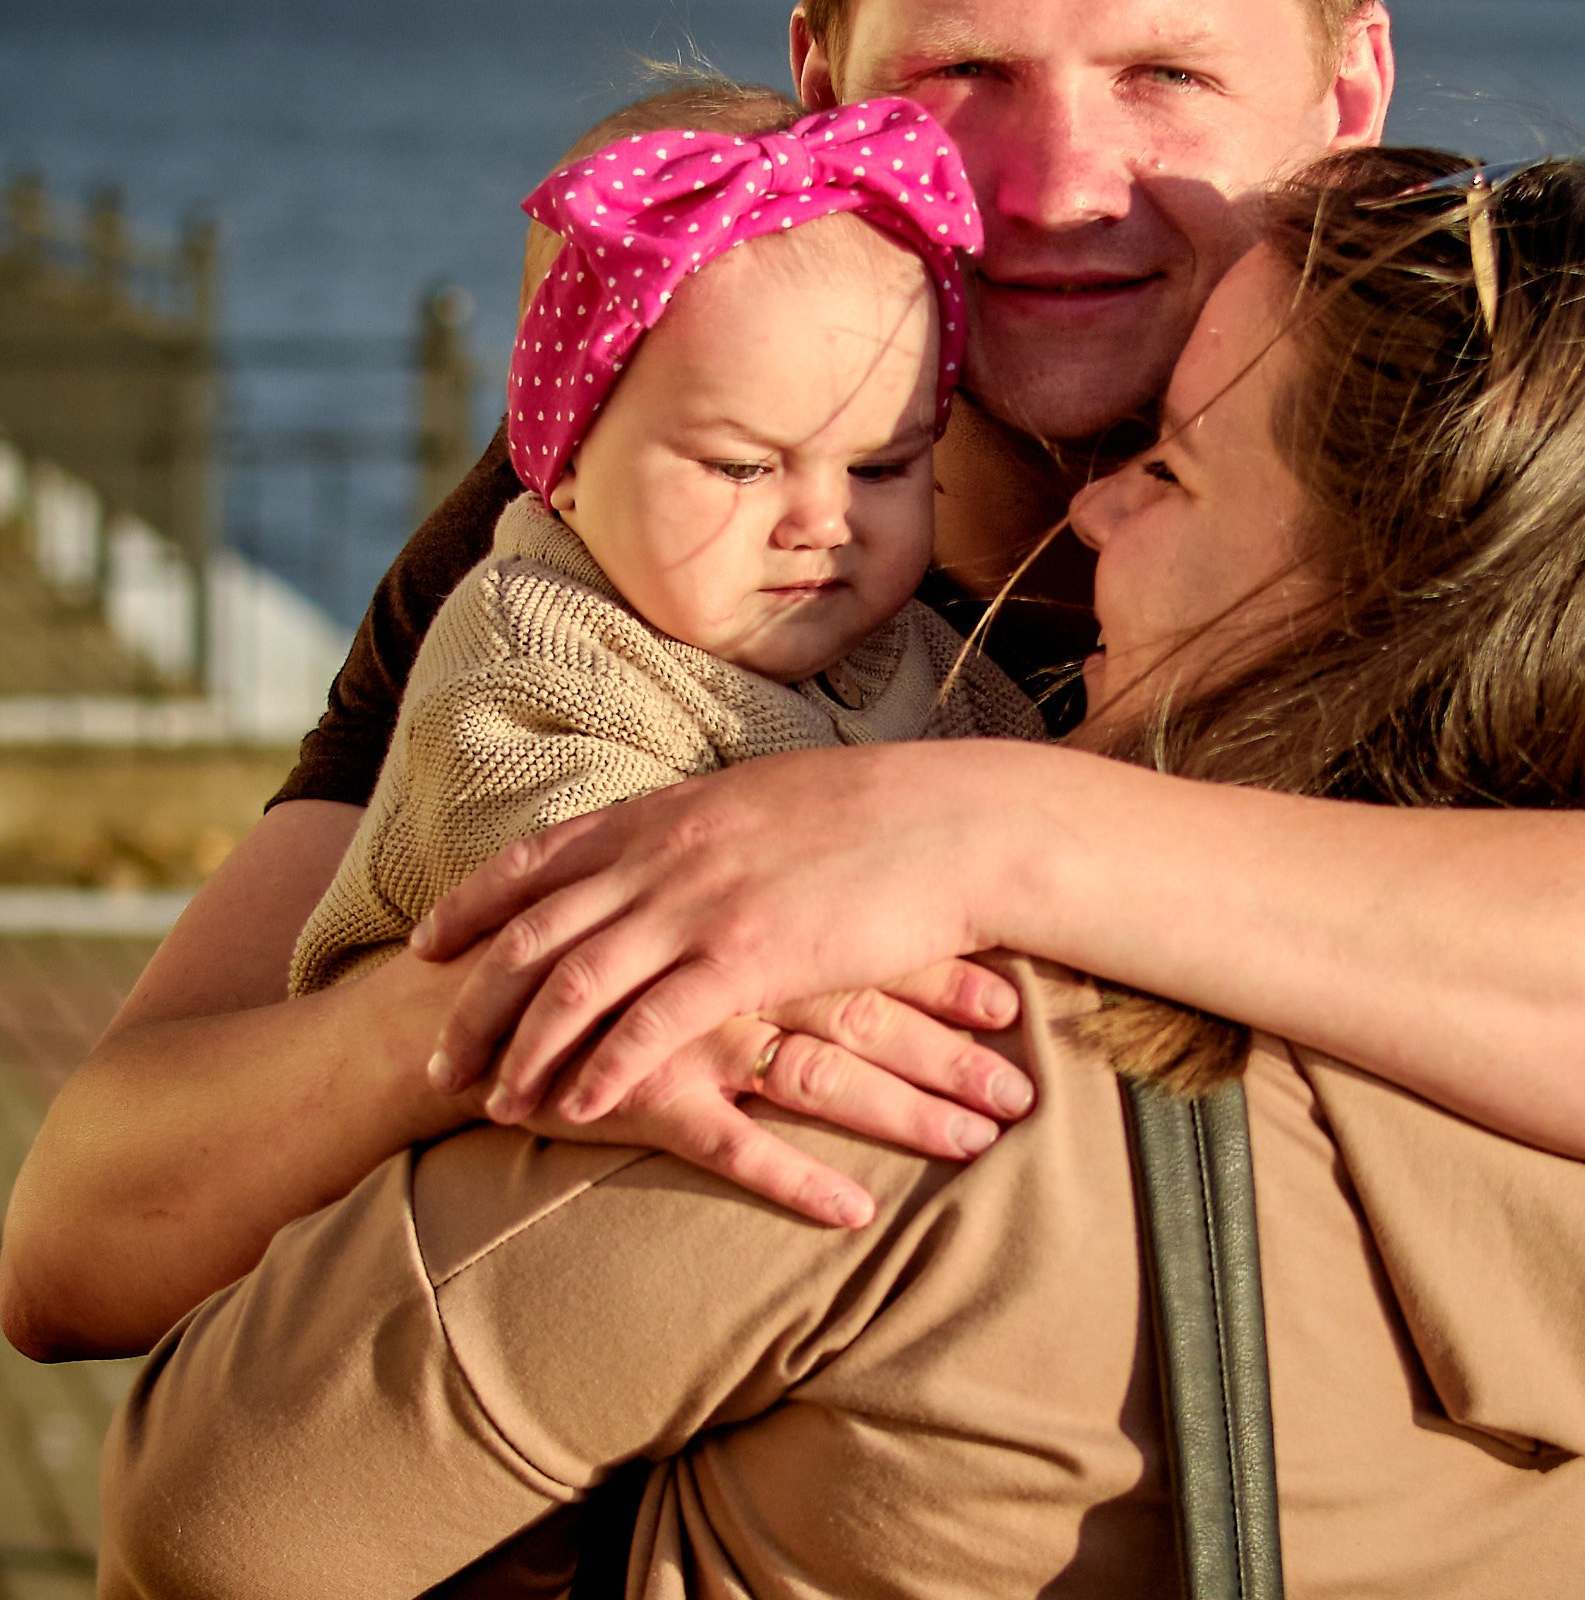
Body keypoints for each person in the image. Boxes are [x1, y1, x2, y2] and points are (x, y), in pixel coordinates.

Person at [10, 0, 1585, 1600]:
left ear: (1349, 82)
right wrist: (500, 1011)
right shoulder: (674, 492)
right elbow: (79, 1237)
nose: (1052, 184)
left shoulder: (1497, 494)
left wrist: (964, 829)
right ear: (824, 76)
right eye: (960, 75)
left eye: (1167, 73)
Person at [287, 78, 1041, 1004]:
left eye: (880, 469)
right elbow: (609, 892)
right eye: (738, 468)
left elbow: (1047, 795)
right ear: (563, 463)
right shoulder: (529, 649)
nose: (822, 522)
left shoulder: (910, 651)